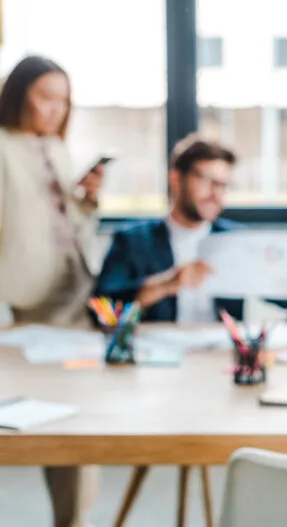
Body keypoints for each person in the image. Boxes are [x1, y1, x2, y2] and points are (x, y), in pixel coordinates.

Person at [0, 56, 103, 527]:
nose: (56, 109)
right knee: (24, 423)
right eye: (46, 97)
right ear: (18, 95)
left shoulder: (58, 150)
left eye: (64, 100)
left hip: (73, 296)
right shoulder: (3, 148)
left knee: (77, 422)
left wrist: (86, 201)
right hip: (23, 304)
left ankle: (73, 522)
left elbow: (65, 227)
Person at [94, 136, 287, 323]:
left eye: (223, 185)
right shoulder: (133, 240)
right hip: (154, 364)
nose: (216, 193)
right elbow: (100, 310)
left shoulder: (235, 240)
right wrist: (164, 284)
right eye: (207, 181)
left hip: (217, 361)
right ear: (175, 178)